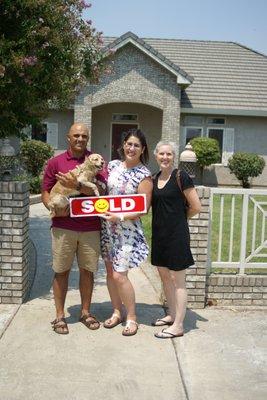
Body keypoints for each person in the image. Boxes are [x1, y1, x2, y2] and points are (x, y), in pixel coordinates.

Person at [41, 123, 106, 334]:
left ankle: (85, 312)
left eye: (84, 136)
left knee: (88, 271)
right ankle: (60, 316)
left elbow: (103, 193)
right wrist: (53, 208)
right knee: (61, 271)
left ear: (88, 139)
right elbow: (45, 192)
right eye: (76, 135)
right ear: (68, 137)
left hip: (90, 226)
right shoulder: (55, 162)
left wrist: (77, 186)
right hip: (63, 226)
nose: (80, 139)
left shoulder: (95, 161)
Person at [101, 129, 153, 336]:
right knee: (110, 274)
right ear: (123, 145)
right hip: (106, 229)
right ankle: (117, 311)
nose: (132, 148)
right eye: (129, 144)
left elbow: (143, 208)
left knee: (119, 275)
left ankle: (132, 317)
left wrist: (119, 217)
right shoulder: (112, 166)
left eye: (136, 145)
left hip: (126, 231)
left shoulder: (144, 174)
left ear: (143, 149)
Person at [151, 141, 201, 339]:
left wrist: (180, 219)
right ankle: (171, 314)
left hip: (177, 237)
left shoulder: (181, 176)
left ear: (174, 156)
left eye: (169, 154)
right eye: (161, 154)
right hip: (159, 236)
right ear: (156, 156)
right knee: (165, 277)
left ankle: (179, 325)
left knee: (178, 281)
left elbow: (196, 206)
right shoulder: (154, 179)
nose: (165, 157)